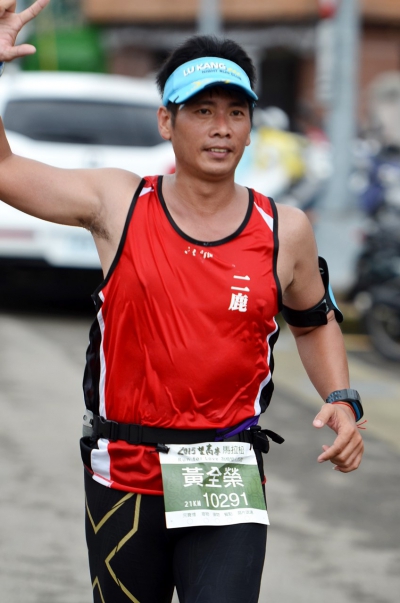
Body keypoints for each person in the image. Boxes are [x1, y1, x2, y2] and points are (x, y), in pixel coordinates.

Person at [0, 2, 364, 602]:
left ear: (251, 126)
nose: (222, 127)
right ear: (167, 122)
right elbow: (4, 168)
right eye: (202, 111)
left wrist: (341, 398)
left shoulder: (285, 230)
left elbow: (313, 321)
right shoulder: (119, 203)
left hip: (226, 469)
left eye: (236, 112)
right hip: (125, 472)